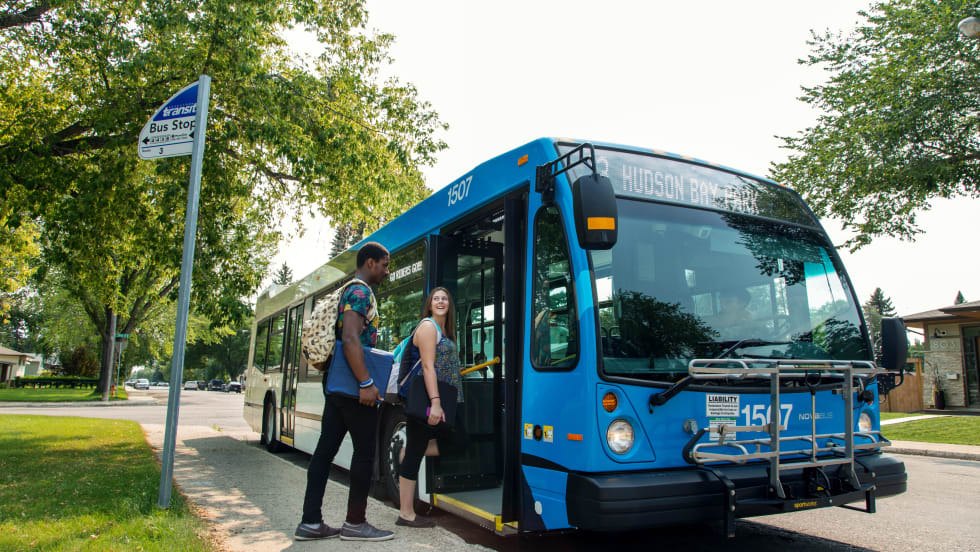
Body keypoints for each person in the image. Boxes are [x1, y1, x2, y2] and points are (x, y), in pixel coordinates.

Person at [296, 242, 393, 542]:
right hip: (353, 388)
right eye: (384, 265)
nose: (387, 271)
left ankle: (310, 522)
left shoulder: (348, 290)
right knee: (365, 453)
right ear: (369, 263)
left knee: (325, 452)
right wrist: (366, 383)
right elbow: (350, 338)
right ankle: (355, 522)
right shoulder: (360, 292)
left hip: (337, 385)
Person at [397, 287, 464, 528]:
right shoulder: (427, 327)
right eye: (436, 298)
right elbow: (427, 367)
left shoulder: (445, 330)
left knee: (457, 441)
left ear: (449, 304)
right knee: (415, 451)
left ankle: (411, 451)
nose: (440, 301)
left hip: (443, 399)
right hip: (427, 400)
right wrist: (435, 403)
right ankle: (406, 513)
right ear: (429, 304)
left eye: (445, 298)